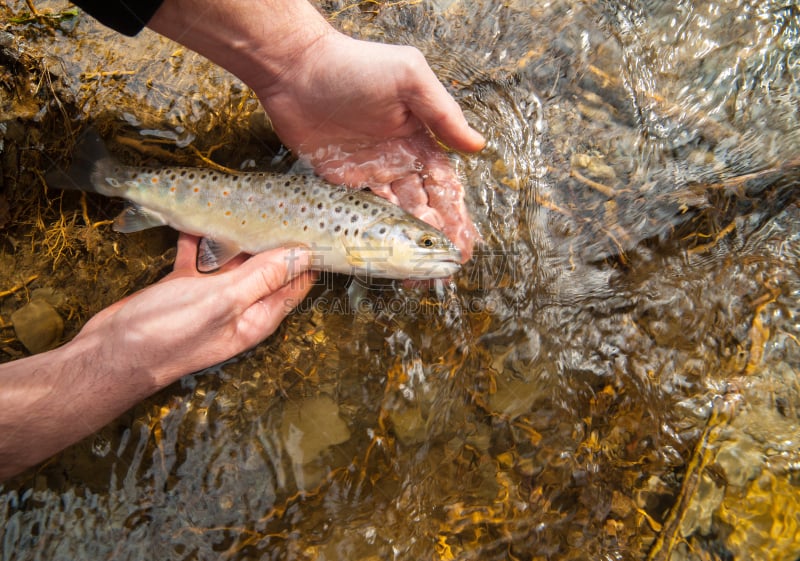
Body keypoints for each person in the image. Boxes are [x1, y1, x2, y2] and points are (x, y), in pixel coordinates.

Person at [0, 0, 485, 481]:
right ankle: (110, 178)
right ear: (374, 237)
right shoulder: (362, 245)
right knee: (133, 185)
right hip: (223, 206)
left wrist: (304, 58)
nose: (437, 255)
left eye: (425, 246)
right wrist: (123, 362)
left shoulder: (368, 244)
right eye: (424, 245)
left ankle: (118, 181)